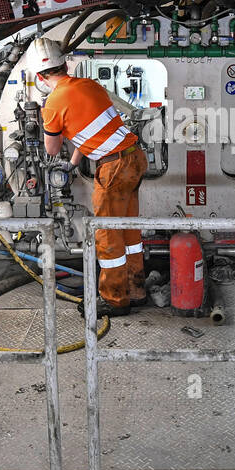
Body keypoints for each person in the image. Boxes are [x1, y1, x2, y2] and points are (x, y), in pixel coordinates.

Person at [33, 37, 147, 317]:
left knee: (107, 233)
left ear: (39, 75)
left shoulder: (53, 103)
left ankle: (115, 299)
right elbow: (91, 133)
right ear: (64, 65)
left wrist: (45, 120)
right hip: (134, 158)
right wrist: (73, 165)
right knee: (128, 229)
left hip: (114, 168)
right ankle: (136, 289)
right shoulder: (88, 85)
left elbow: (52, 148)